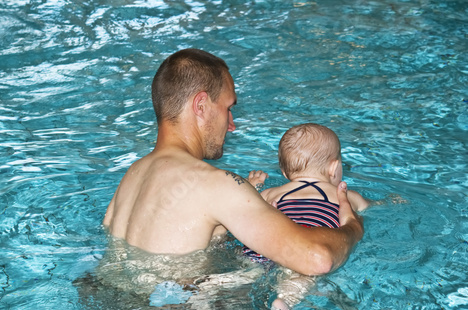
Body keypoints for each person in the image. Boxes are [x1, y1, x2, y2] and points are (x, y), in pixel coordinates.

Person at [102, 48, 364, 278]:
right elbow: (317, 259)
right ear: (201, 105)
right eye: (228, 108)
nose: (232, 125)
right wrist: (352, 226)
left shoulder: (132, 176)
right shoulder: (214, 184)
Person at [244, 123, 369, 310]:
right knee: (301, 275)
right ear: (334, 168)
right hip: (310, 245)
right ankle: (285, 300)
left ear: (284, 172)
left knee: (251, 267)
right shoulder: (345, 196)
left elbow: (247, 206)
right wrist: (391, 201)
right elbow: (372, 207)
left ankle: (220, 281)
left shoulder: (271, 193)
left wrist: (253, 186)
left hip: (266, 243)